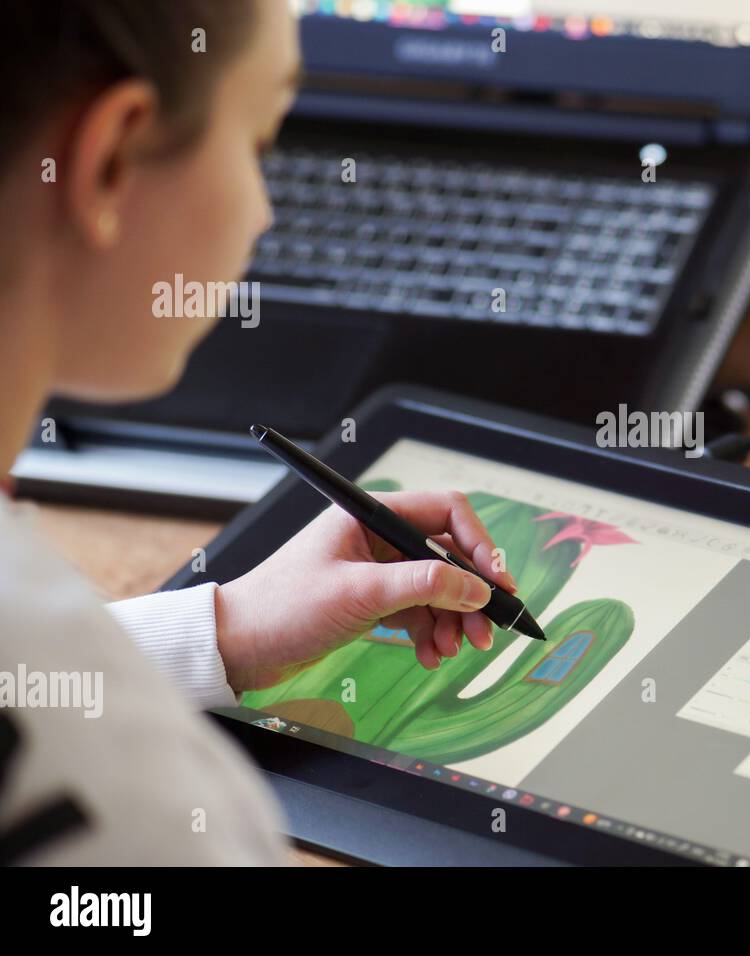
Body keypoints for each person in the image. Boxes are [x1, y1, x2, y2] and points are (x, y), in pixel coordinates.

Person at [0, 0, 514, 864]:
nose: (267, 214)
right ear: (114, 160)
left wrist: (219, 630)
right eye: (261, 140)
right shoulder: (137, 820)